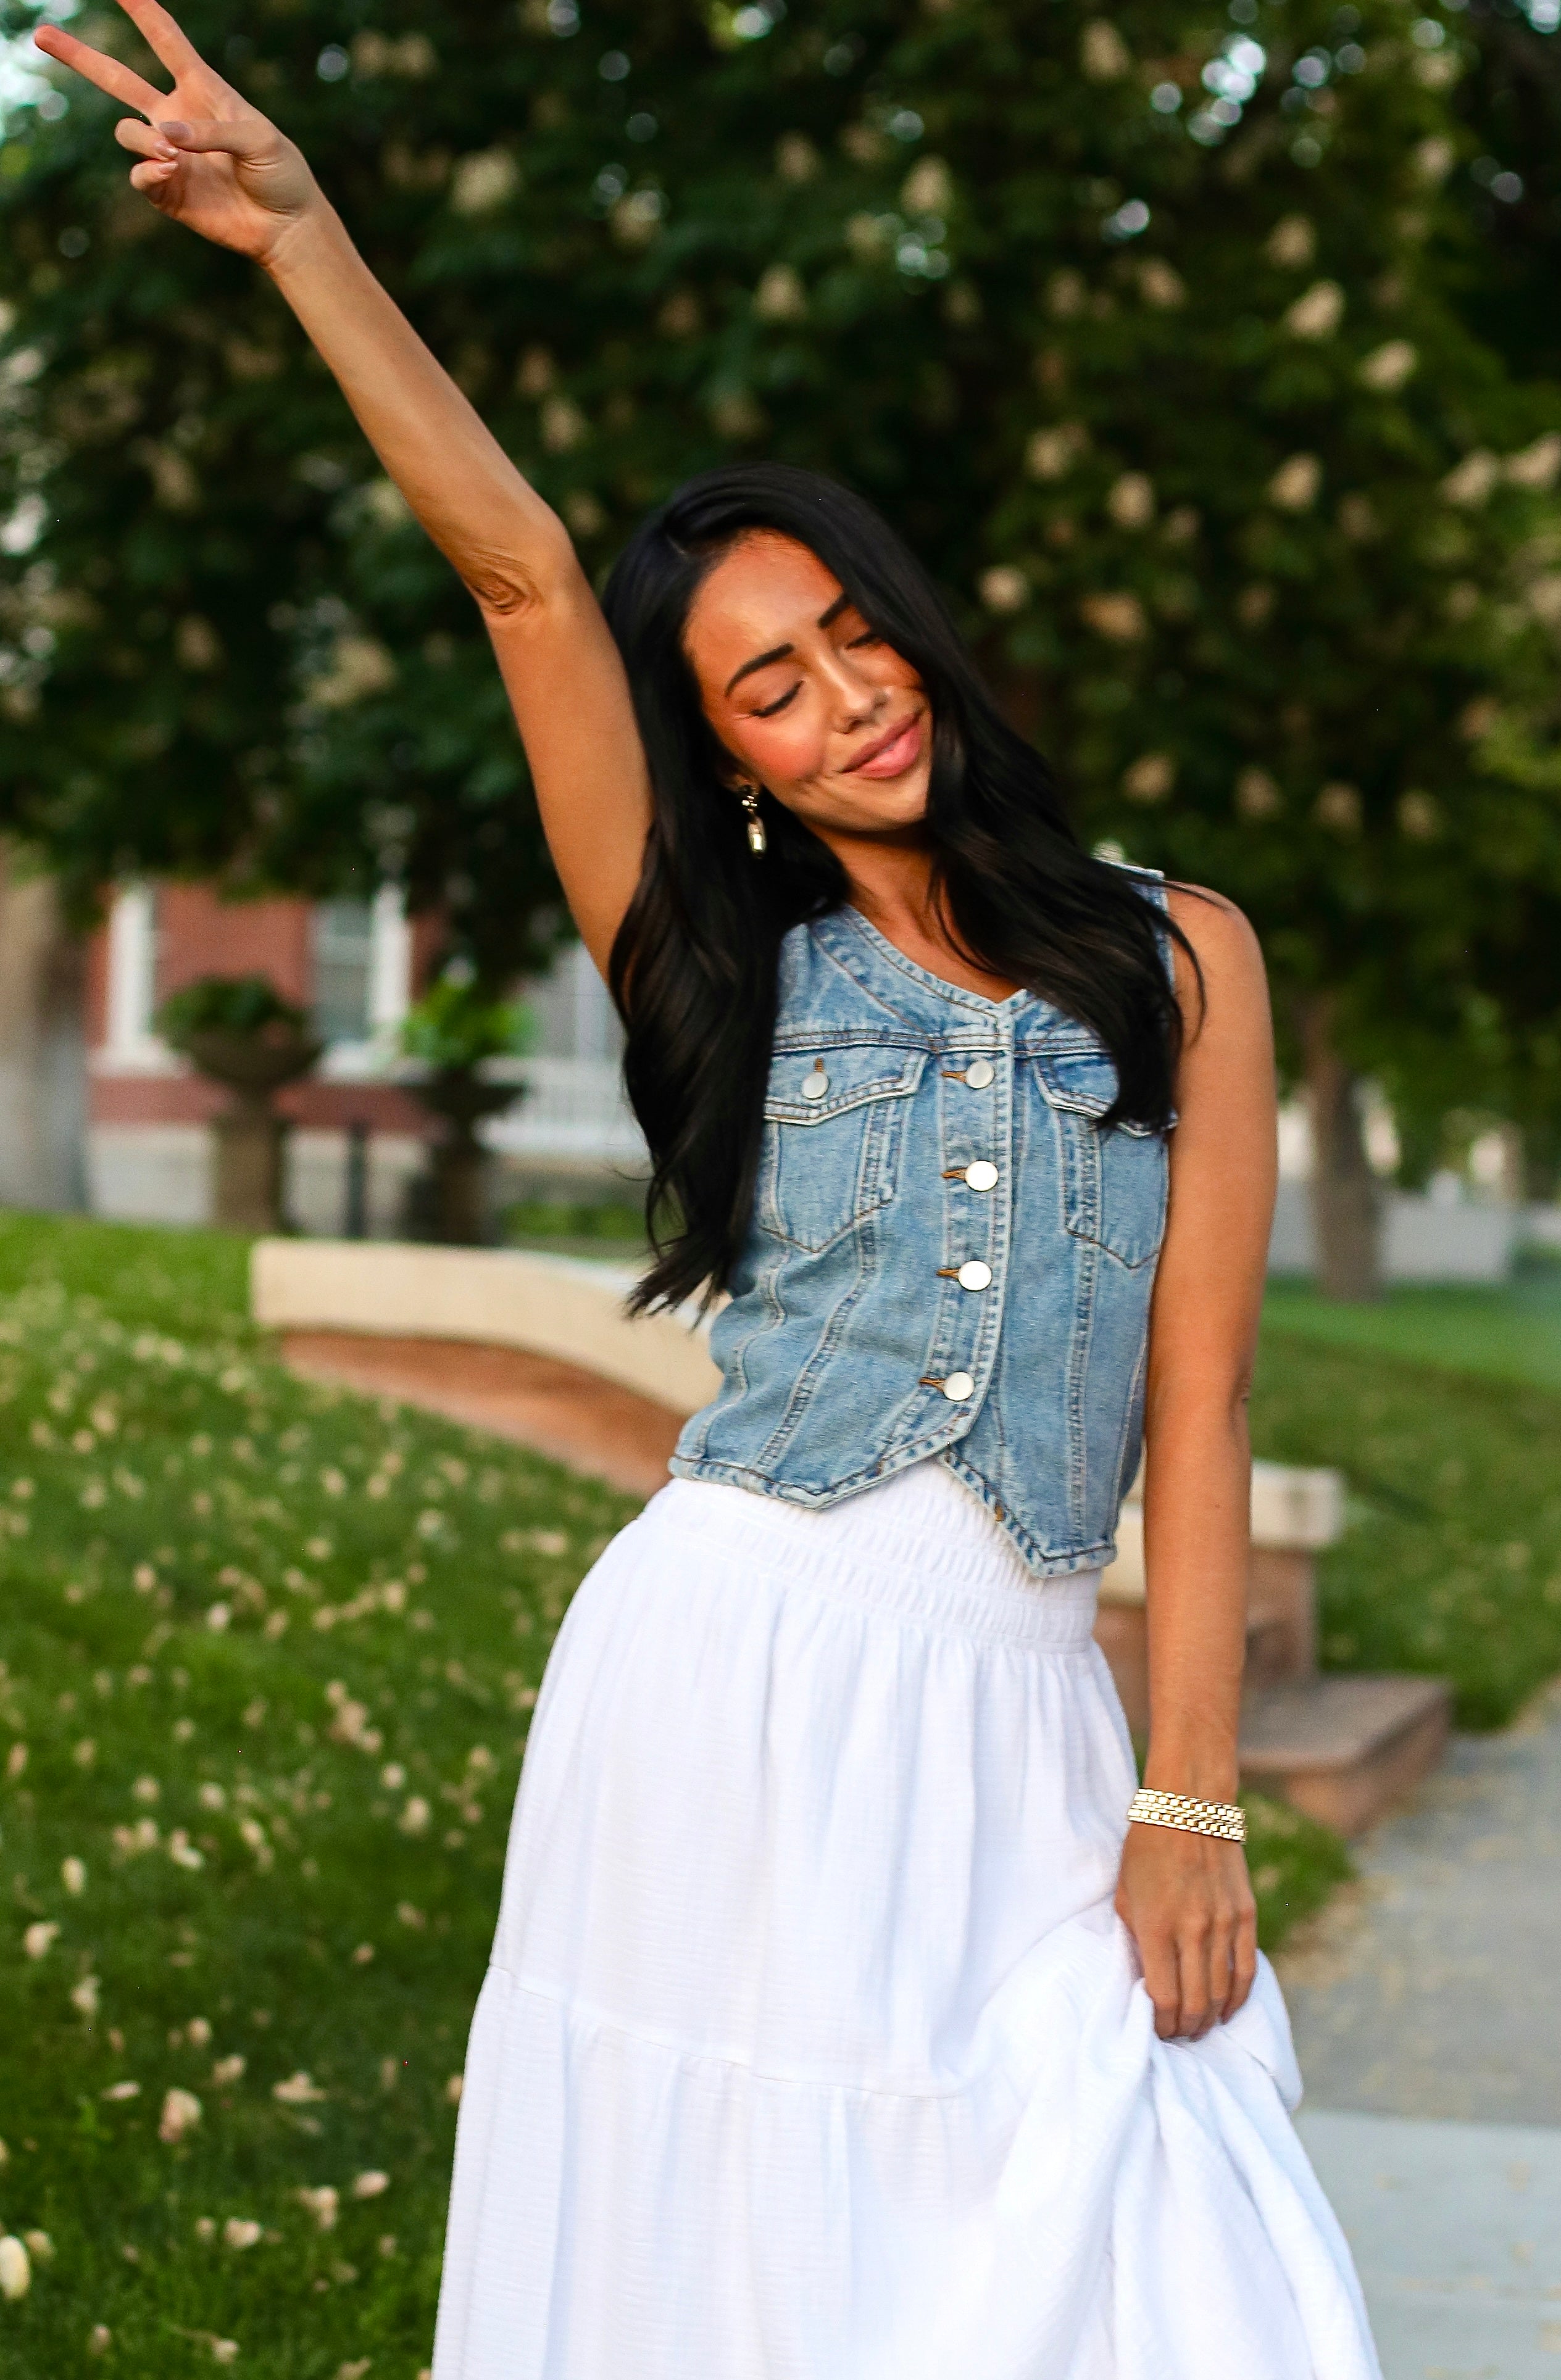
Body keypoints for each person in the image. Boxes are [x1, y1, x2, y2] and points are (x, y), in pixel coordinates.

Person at [43, 10, 1382, 2376]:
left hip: (1027, 1716)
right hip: (733, 1673)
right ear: (729, 759)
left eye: (853, 630)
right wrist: (303, 238)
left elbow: (1206, 1394)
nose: (841, 694)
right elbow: (527, 582)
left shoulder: (1183, 952)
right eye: (766, 685)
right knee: (732, 2281)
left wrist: (1195, 1795)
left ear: (918, 631)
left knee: (1160, 2251)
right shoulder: (718, 959)